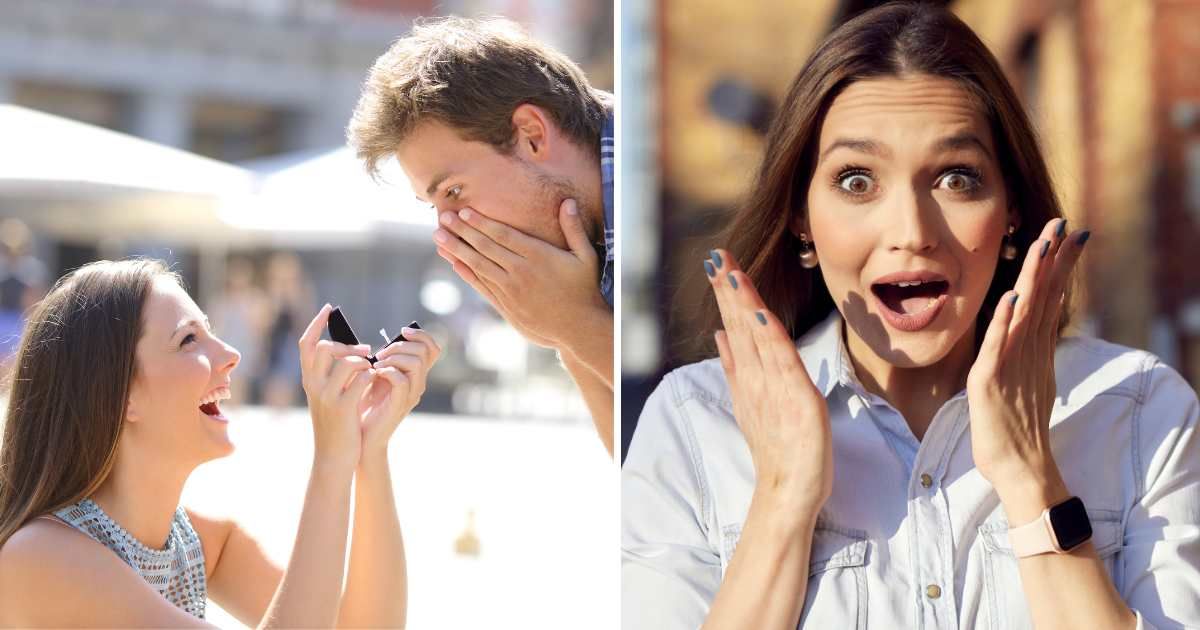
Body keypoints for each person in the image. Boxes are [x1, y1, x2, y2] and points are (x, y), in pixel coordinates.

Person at [622, 3, 1199, 629]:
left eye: (956, 178)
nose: (912, 232)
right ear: (800, 218)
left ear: (1010, 210)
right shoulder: (697, 423)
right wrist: (784, 499)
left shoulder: (1141, 411)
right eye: (856, 181)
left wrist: (1032, 477)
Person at [0, 259, 441, 627]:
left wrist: (368, 450)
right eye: (189, 339)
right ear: (118, 393)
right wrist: (331, 459)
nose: (231, 355)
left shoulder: (196, 544)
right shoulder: (41, 558)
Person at [348, 16, 615, 456]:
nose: (448, 230)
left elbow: (713, 435)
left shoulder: (675, 184)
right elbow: (640, 462)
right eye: (434, 206)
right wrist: (566, 330)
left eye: (454, 192)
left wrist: (577, 324)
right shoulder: (589, 237)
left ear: (532, 135)